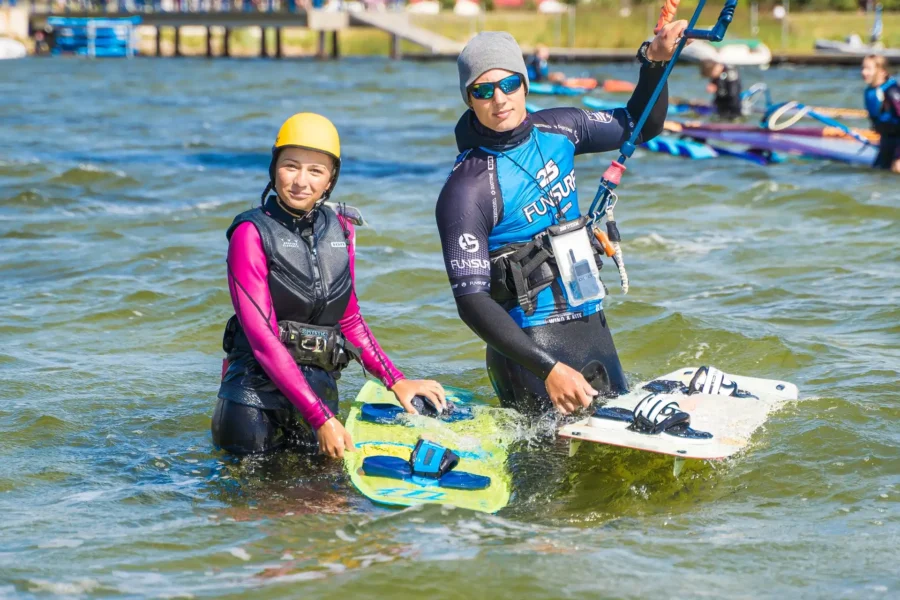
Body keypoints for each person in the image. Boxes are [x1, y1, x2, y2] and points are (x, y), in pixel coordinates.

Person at [434, 27, 684, 417]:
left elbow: (640, 124)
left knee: (616, 464)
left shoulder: (561, 128)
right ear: (469, 98)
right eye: (483, 91)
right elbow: (471, 302)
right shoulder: (465, 190)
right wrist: (548, 370)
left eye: (509, 84)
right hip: (530, 354)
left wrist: (655, 61)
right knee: (545, 473)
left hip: (592, 331)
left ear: (524, 84)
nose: (499, 99)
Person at [214, 113, 446, 458]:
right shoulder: (251, 234)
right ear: (274, 167)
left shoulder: (341, 230)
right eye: (290, 166)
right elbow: (262, 339)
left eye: (316, 171)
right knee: (262, 508)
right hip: (253, 406)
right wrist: (320, 418)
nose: (300, 181)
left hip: (318, 401)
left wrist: (395, 379)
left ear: (330, 179)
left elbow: (350, 319)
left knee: (328, 509)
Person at [861, 54, 900, 173]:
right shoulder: (870, 91)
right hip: (887, 139)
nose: (863, 72)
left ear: (882, 71)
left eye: (868, 69)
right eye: (863, 68)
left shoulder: (891, 91)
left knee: (897, 168)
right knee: (877, 171)